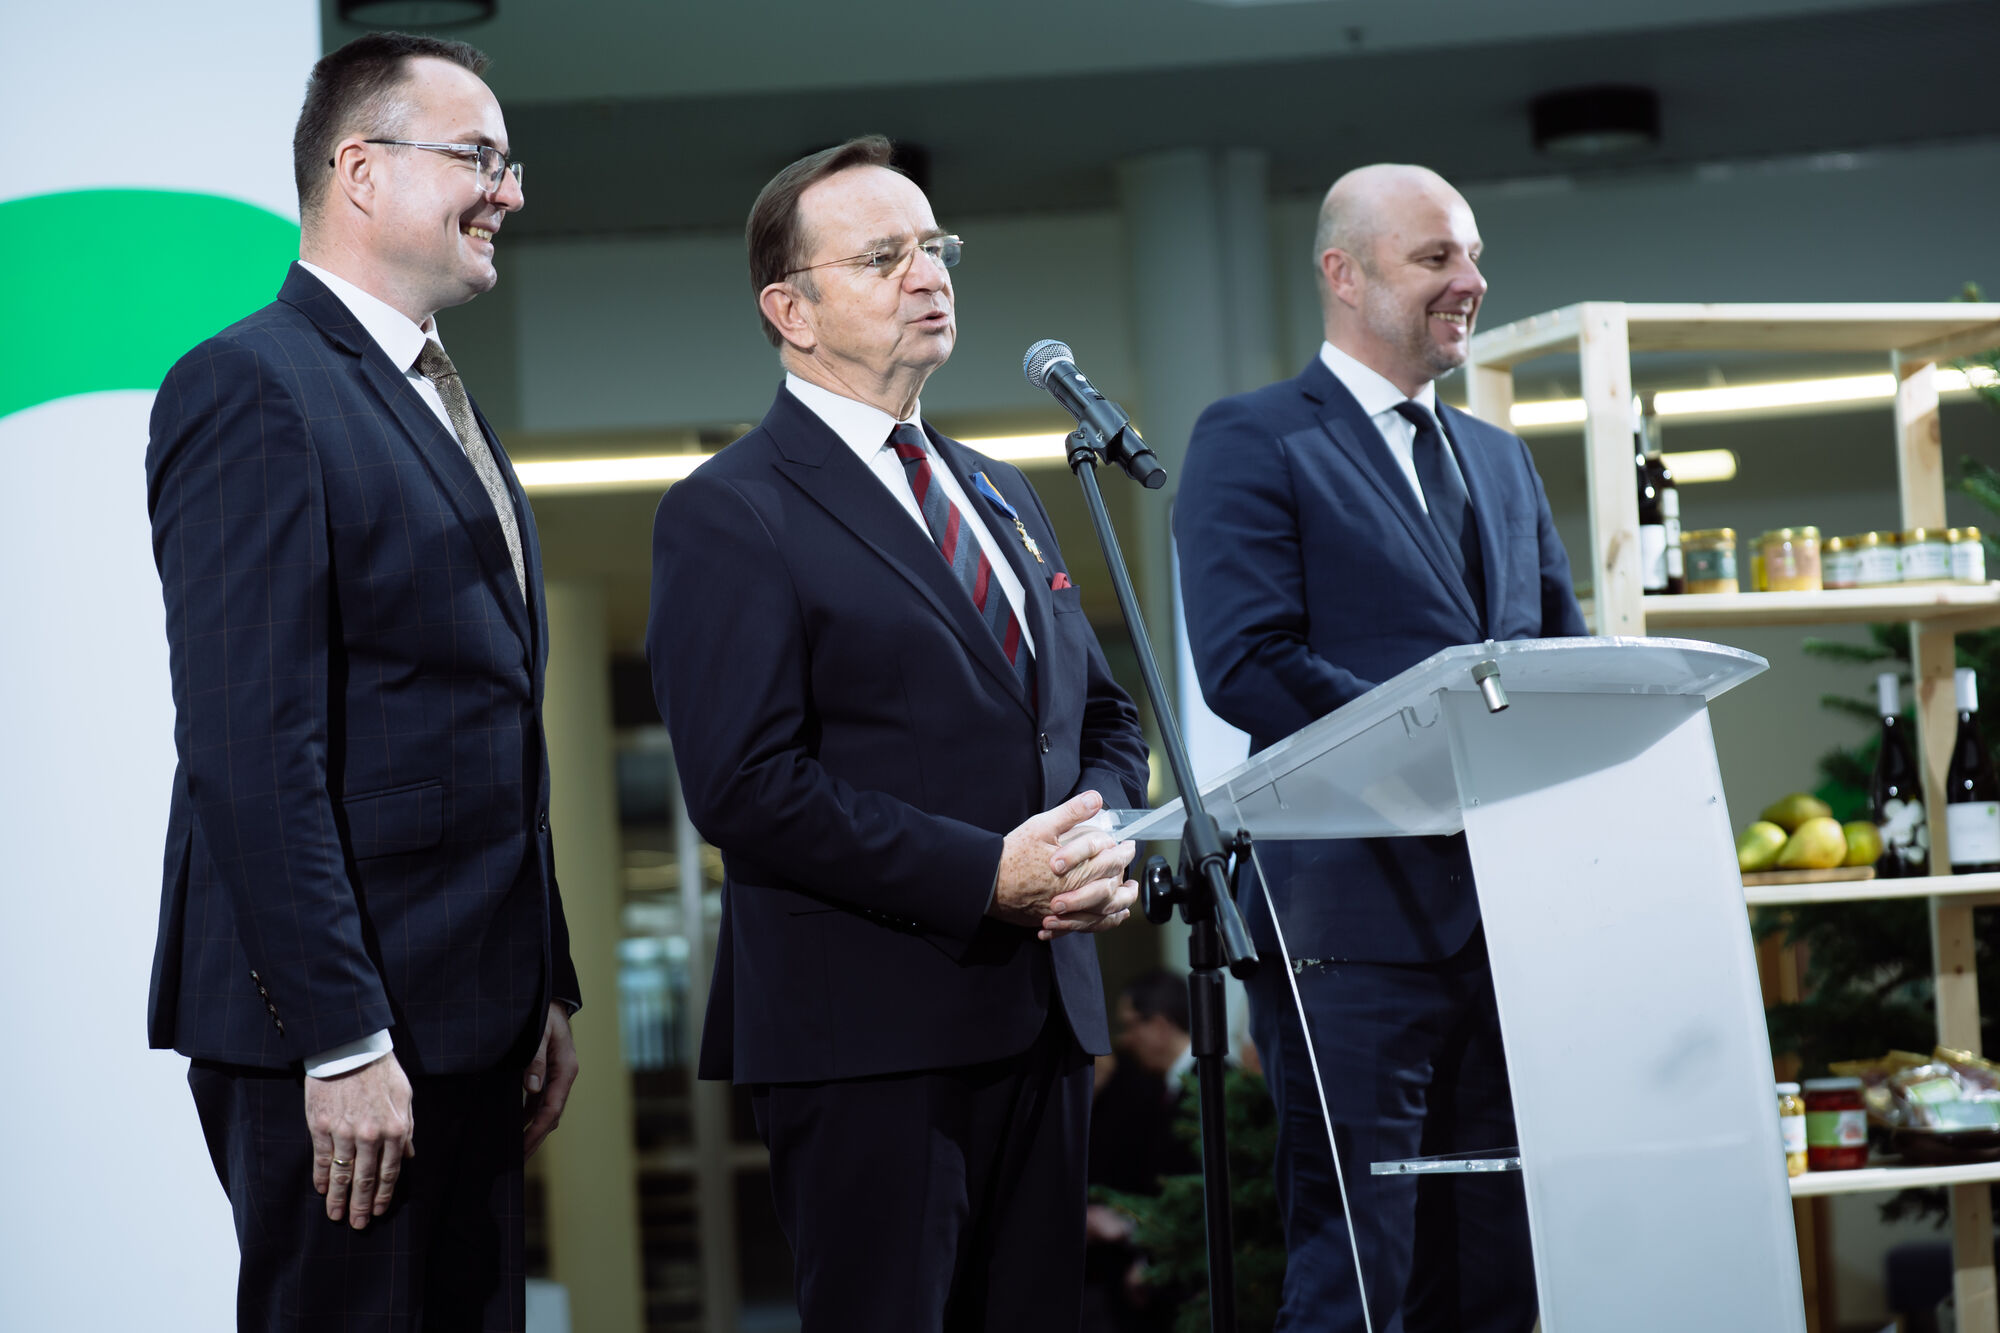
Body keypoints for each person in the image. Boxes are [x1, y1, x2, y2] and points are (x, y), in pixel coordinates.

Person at [646, 135, 1150, 1332]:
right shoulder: (729, 509)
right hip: (867, 1038)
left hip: (1042, 1019)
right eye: (883, 258)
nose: (928, 275)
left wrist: (1100, 836)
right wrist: (987, 874)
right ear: (791, 310)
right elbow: (745, 785)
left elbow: (1100, 716)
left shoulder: (1001, 490)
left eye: (936, 248)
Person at [145, 32, 579, 1330]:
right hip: (342, 1038)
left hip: (472, 1021)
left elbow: (485, 716)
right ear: (362, 171)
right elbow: (249, 746)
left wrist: (543, 979)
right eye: (480, 158)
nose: (509, 192)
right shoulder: (252, 384)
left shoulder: (436, 395)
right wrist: (339, 1036)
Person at [1174, 163, 1587, 1333]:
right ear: (1342, 274)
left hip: (1506, 929)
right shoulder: (1254, 439)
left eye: (1472, 255)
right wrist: (1442, 749)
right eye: (1434, 257)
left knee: (1502, 1269)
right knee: (1361, 1269)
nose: (1469, 280)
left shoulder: (1499, 460)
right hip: (1345, 931)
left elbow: (1551, 659)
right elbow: (1249, 660)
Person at [1084, 970, 1197, 1333]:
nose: (1126, 1039)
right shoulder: (1169, 1090)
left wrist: (1149, 1256)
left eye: (1132, 1025)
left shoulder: (1206, 1088)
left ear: (1160, 1026)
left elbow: (1195, 1195)